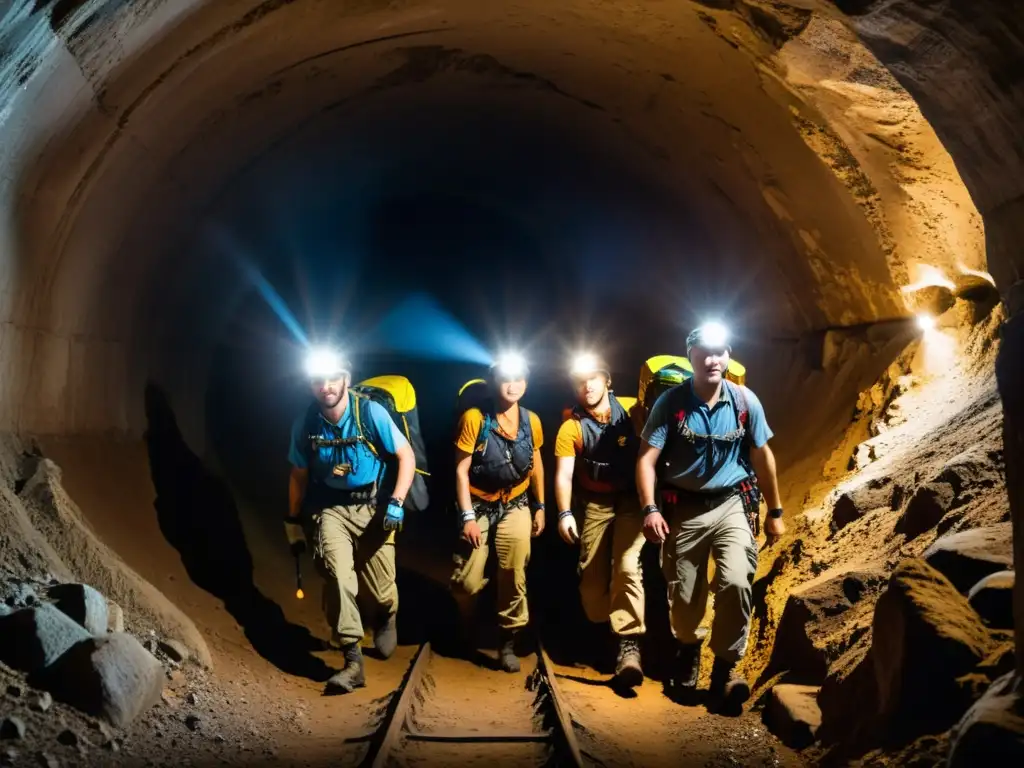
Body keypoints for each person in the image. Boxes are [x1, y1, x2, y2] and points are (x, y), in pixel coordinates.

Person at [635, 323, 785, 713]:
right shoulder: (670, 403)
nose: (712, 359)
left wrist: (775, 510)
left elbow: (762, 456)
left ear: (729, 356)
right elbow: (646, 460)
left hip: (731, 504)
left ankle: (725, 668)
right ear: (691, 357)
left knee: (736, 581)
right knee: (685, 597)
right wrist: (650, 508)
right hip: (683, 509)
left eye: (719, 352)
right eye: (704, 352)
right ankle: (689, 648)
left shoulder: (744, 400)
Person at [283, 348, 417, 694]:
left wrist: (397, 503)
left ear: (347, 379)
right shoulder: (307, 422)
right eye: (317, 380)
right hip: (330, 509)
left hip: (372, 508)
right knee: (339, 577)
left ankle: (387, 616)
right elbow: (298, 474)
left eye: (332, 378)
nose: (325, 386)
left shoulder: (369, 413)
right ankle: (353, 659)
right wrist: (293, 519)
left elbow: (406, 455)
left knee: (382, 590)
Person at [554, 353, 646, 688]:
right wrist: (564, 512)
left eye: (594, 378)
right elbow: (564, 475)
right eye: (580, 381)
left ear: (608, 380)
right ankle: (603, 630)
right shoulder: (572, 427)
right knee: (592, 586)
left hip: (632, 502)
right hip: (594, 503)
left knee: (626, 565)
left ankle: (628, 645)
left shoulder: (634, 413)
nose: (587, 386)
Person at [450, 353, 546, 673]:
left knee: (514, 571)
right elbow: (461, 471)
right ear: (494, 382)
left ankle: (507, 641)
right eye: (506, 378)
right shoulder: (474, 419)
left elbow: (536, 464)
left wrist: (540, 506)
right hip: (477, 504)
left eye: (519, 379)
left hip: (515, 503)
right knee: (466, 582)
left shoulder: (531, 420)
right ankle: (466, 621)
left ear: (526, 383)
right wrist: (466, 517)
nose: (513, 385)